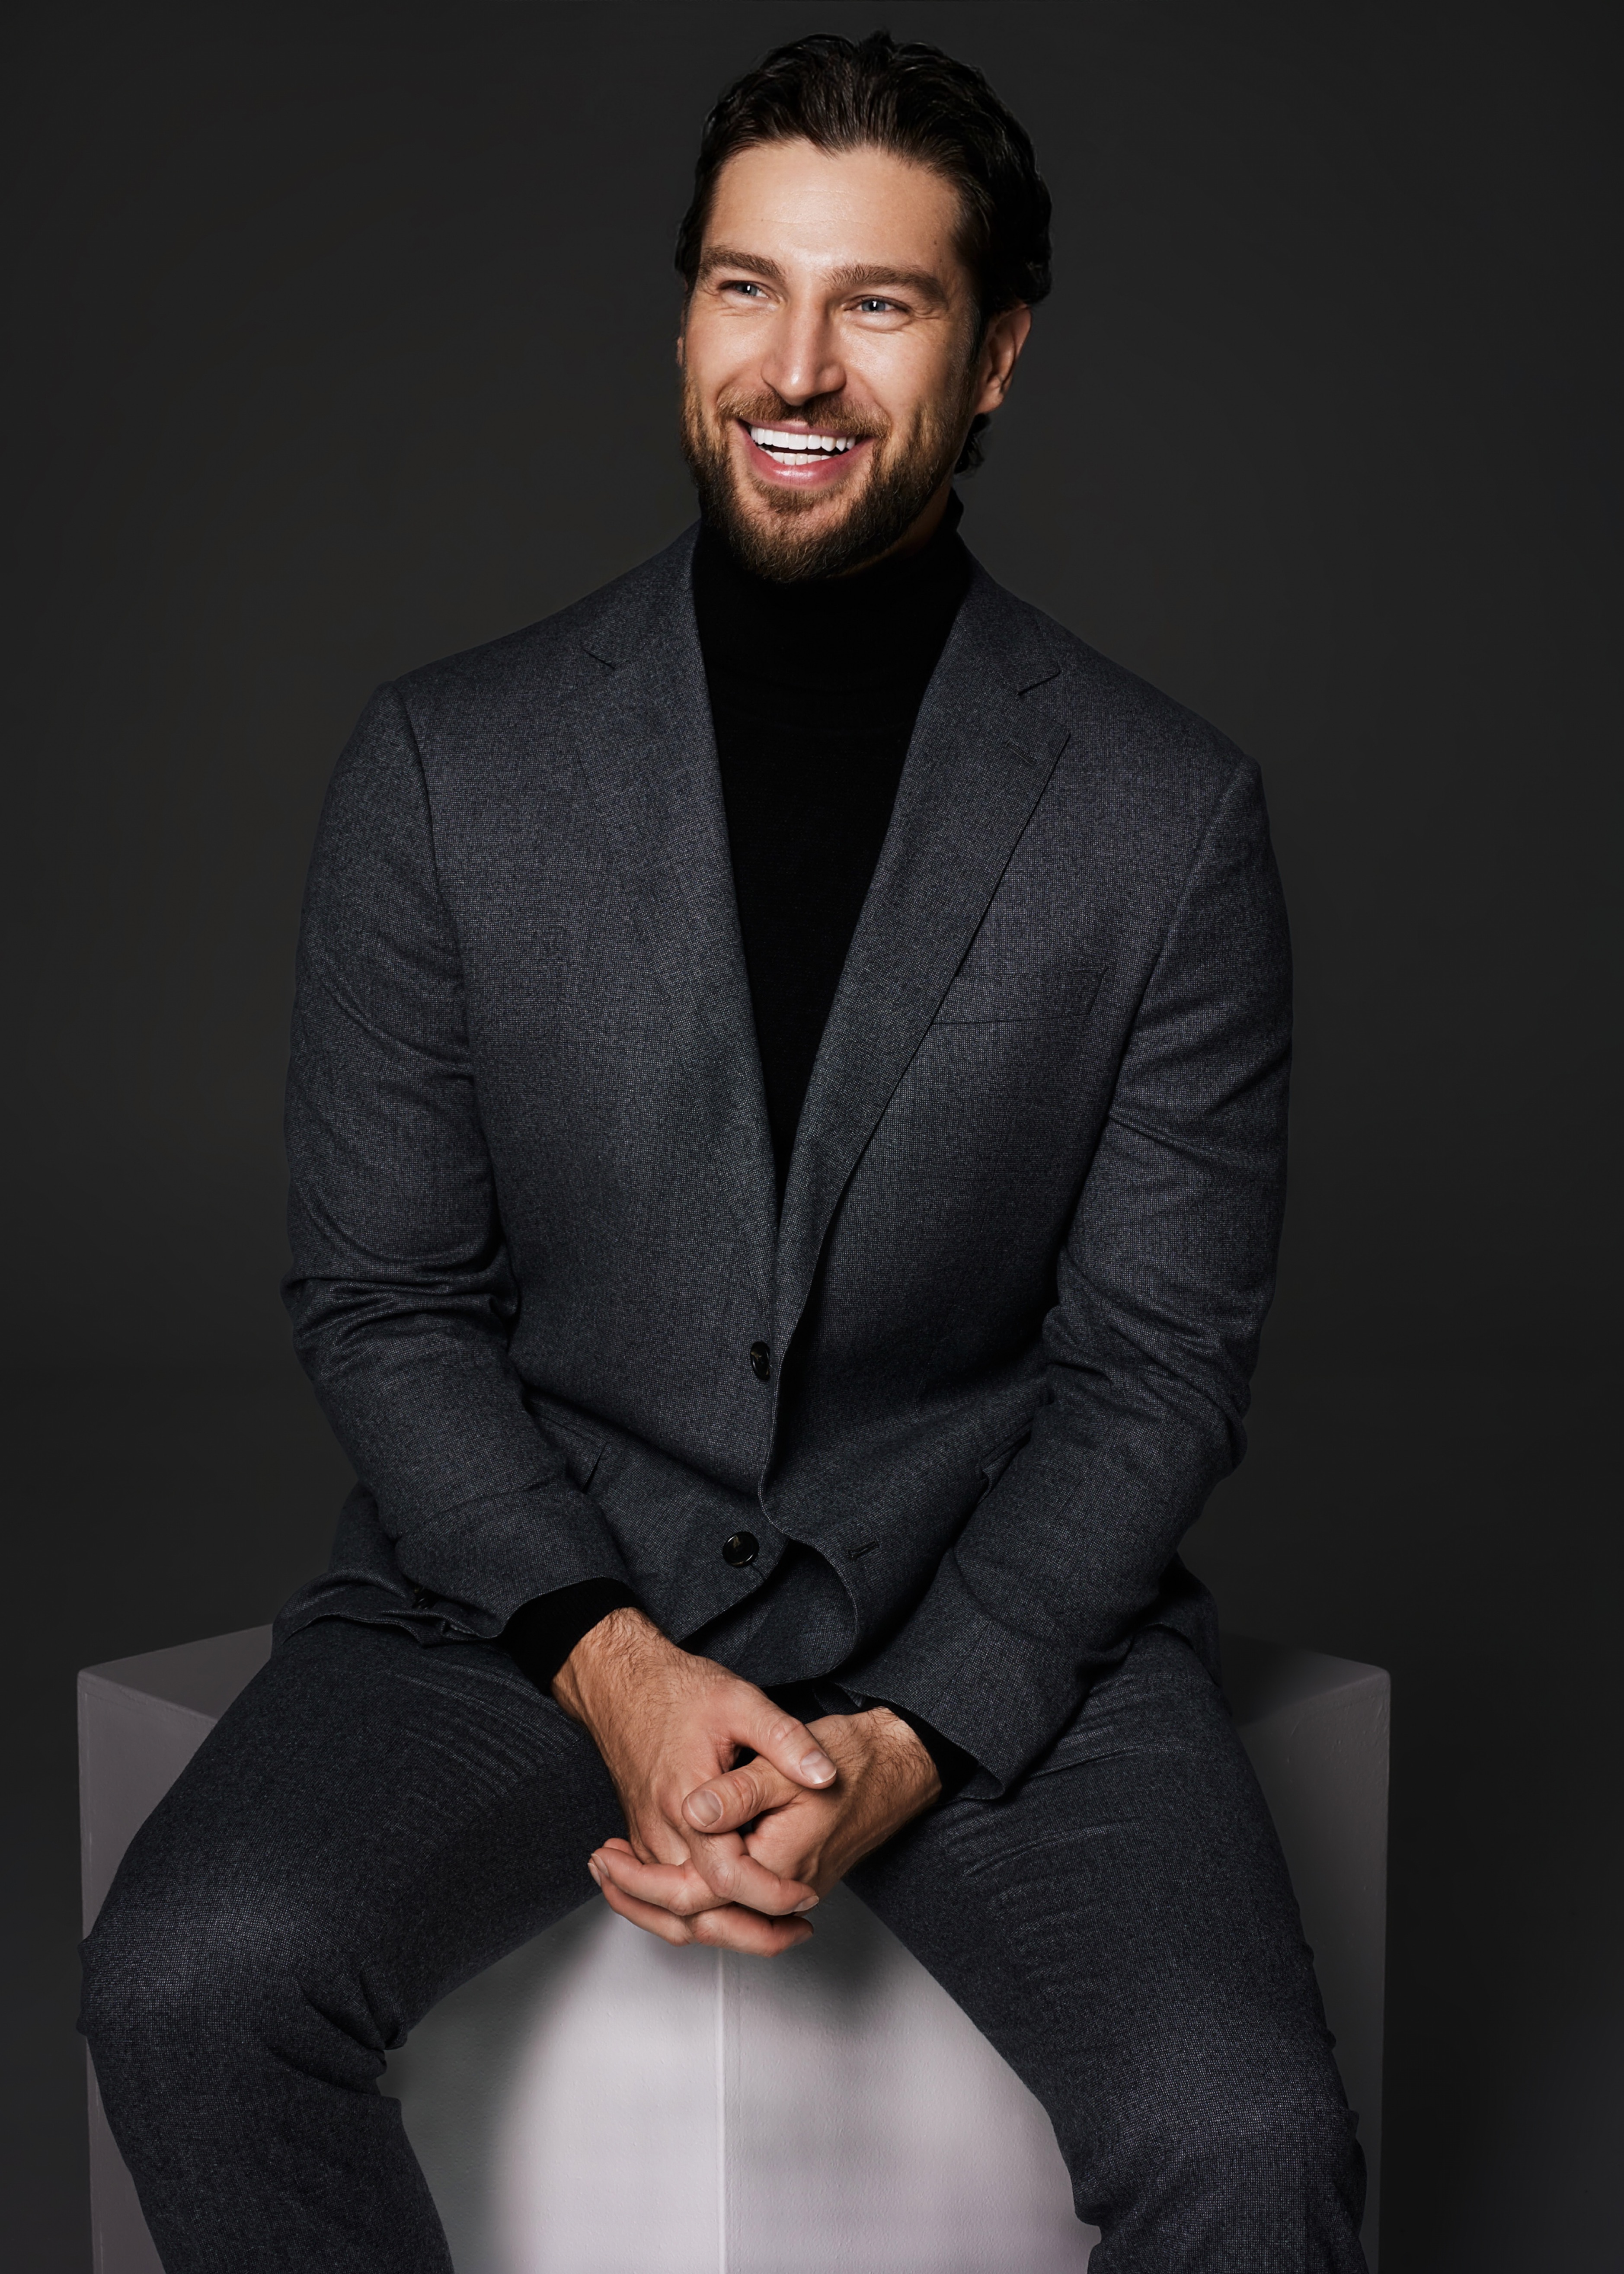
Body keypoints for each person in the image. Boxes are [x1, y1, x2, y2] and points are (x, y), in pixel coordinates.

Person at [81, 31, 1368, 2271]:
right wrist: (612, 1660)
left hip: (986, 1612)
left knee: (1246, 2140)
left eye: (881, 303)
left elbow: (1155, 1373)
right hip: (524, 1597)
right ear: (683, 315)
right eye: (747, 287)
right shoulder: (447, 767)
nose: (798, 367)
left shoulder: (1166, 823)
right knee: (189, 1980)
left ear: (994, 355)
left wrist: (914, 1737)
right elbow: (390, 1302)